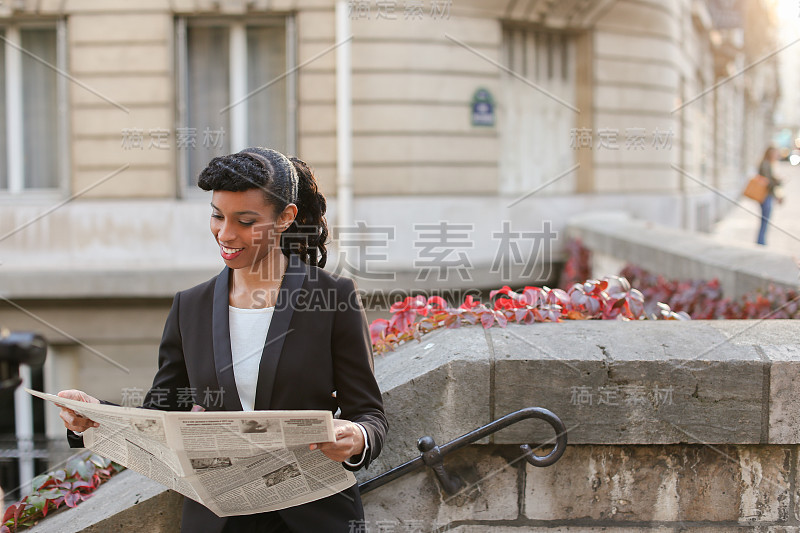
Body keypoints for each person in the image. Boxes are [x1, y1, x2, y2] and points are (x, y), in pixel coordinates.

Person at [56, 148, 388, 533]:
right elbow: (161, 413)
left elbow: (370, 414)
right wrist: (92, 414)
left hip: (314, 517)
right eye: (217, 216)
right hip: (218, 521)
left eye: (245, 221)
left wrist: (357, 437)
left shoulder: (334, 297)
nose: (226, 234)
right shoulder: (189, 307)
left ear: (285, 217)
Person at [756, 146, 783, 245]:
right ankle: (761, 242)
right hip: (765, 195)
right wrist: (778, 181)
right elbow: (767, 182)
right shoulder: (765, 164)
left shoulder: (768, 164)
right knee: (765, 219)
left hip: (767, 195)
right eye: (774, 153)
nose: (776, 155)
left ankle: (761, 241)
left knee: (765, 220)